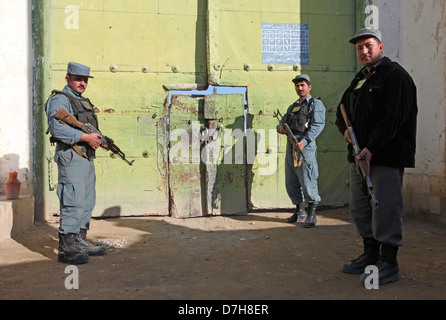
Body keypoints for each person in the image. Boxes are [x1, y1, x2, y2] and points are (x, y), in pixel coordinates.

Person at [335, 28, 418, 284]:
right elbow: (341, 112)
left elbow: (394, 118)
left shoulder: (396, 76)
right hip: (359, 158)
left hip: (385, 157)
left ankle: (389, 263)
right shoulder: (360, 79)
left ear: (381, 47)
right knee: (361, 208)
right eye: (359, 47)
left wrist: (372, 147)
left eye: (368, 45)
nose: (364, 51)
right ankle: (370, 256)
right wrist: (346, 132)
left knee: (385, 209)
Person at [45, 62, 108, 264]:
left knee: (86, 201)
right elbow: (58, 130)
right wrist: (85, 138)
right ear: (67, 79)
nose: (82, 83)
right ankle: (66, 248)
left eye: (85, 80)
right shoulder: (59, 100)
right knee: (72, 200)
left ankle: (80, 240)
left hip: (85, 157)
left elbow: (86, 128)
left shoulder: (82, 101)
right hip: (71, 157)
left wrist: (100, 139)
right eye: (77, 79)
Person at [277, 74, 326, 228]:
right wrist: (281, 129)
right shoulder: (293, 107)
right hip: (291, 145)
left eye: (303, 85)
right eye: (297, 86)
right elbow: (282, 123)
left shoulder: (315, 104)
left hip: (306, 146)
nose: (300, 88)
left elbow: (318, 125)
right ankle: (300, 211)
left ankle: (311, 212)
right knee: (291, 181)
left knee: (307, 179)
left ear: (309, 87)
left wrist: (304, 142)